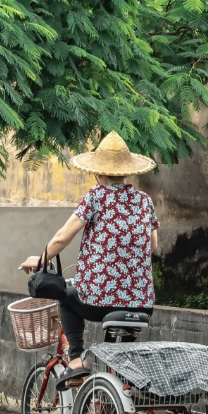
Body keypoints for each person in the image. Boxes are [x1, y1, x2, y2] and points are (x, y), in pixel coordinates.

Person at [20, 132, 159, 392]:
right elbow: (152, 246)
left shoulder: (96, 196)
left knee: (66, 295)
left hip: (99, 301)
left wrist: (40, 261)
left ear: (97, 173)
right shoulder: (145, 201)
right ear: (127, 173)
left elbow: (62, 238)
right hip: (141, 303)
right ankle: (113, 397)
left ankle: (76, 359)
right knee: (118, 357)